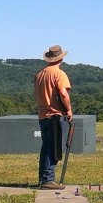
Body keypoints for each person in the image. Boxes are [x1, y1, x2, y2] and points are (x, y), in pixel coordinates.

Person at [34, 45, 73, 190]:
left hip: (43, 115)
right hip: (55, 115)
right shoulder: (59, 74)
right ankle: (48, 180)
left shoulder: (40, 74)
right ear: (61, 58)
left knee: (46, 147)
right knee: (53, 147)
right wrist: (68, 110)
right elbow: (63, 93)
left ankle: (44, 178)